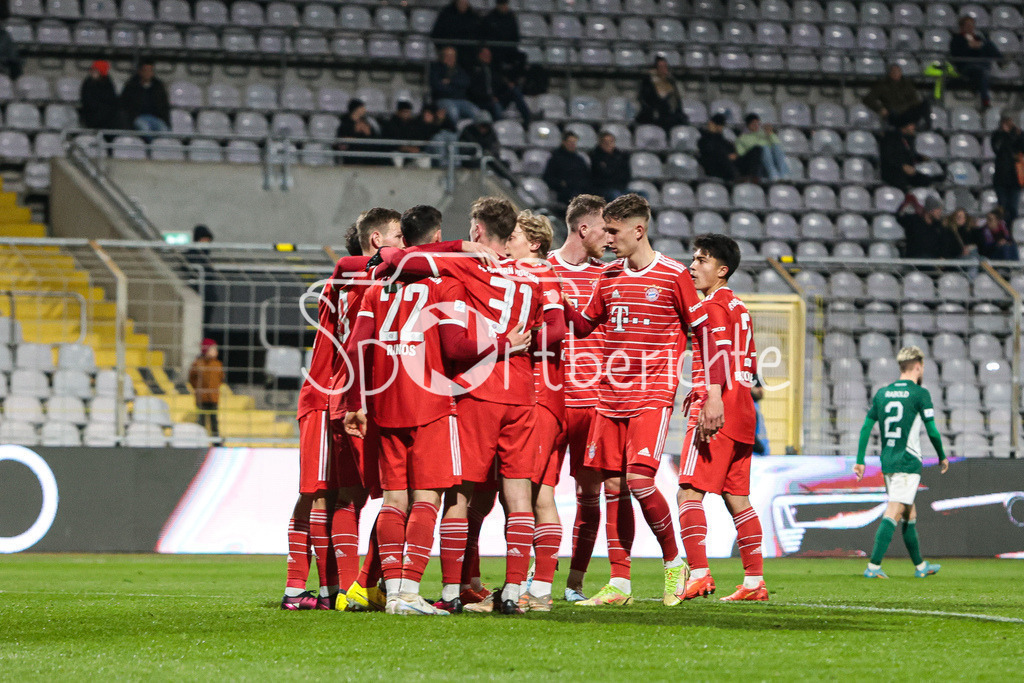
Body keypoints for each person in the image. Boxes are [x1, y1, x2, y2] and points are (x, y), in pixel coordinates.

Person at [374, 197, 545, 615]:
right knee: (519, 495)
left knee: (457, 494)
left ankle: (448, 590)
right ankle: (516, 590)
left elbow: (392, 258)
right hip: (523, 392)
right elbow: (554, 328)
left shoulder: (466, 267)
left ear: (478, 232)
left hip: (476, 389)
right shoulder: (537, 278)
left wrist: (457, 250)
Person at [561, 194, 728, 607]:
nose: (608, 239)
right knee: (613, 486)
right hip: (608, 396)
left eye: (614, 232)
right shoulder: (609, 275)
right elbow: (585, 326)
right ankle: (620, 583)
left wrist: (712, 393)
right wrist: (558, 301)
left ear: (639, 230)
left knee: (638, 481)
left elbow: (705, 335)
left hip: (651, 395)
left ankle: (674, 564)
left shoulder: (674, 276)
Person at [343, 205, 493, 616]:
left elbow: (356, 346)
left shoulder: (376, 288)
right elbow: (453, 346)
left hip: (385, 405)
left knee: (393, 502)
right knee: (426, 499)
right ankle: (409, 591)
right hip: (430, 402)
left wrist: (356, 402)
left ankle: (392, 593)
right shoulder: (442, 286)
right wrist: (501, 341)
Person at [676, 234, 767, 603]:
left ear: (722, 270)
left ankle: (698, 574)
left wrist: (710, 397)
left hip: (720, 407)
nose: (693, 266)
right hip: (745, 408)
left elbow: (718, 353)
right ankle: (754, 582)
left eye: (702, 260)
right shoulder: (739, 307)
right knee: (737, 497)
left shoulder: (712, 307)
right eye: (694, 259)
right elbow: (750, 363)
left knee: (687, 493)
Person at [503, 210, 566, 612]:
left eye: (515, 236)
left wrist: (523, 340)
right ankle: (535, 588)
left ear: (535, 242)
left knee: (529, 495)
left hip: (539, 394)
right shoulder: (518, 271)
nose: (508, 241)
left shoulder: (540, 274)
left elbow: (557, 330)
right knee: (539, 494)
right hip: (536, 395)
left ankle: (534, 589)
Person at [547, 194, 608, 602]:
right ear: (583, 228)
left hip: (592, 404)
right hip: (548, 402)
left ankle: (575, 582)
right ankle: (534, 577)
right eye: (605, 228)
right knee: (535, 495)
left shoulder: (609, 275)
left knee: (590, 496)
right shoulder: (541, 268)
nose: (610, 236)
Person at [855, 346, 949, 579]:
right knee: (895, 509)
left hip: (888, 460)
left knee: (909, 512)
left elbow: (867, 426)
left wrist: (860, 460)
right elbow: (933, 431)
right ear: (918, 365)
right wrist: (941, 455)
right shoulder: (920, 394)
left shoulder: (883, 393)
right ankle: (873, 567)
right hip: (907, 462)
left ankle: (920, 567)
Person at [468, 46, 531, 124]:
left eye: (489, 55)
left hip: (497, 98)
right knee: (495, 106)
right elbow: (473, 90)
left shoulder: (494, 70)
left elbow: (500, 84)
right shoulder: (474, 70)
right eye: (485, 55)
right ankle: (499, 127)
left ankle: (527, 118)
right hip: (483, 101)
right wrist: (489, 98)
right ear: (479, 55)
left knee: (514, 90)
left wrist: (508, 85)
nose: (488, 57)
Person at [950, 15, 1002, 109]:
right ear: (962, 27)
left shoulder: (978, 39)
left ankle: (1001, 61)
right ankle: (985, 100)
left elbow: (986, 52)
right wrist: (969, 47)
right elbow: (956, 54)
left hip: (981, 64)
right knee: (981, 72)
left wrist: (980, 46)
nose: (971, 28)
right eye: (968, 25)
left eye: (972, 25)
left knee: (988, 45)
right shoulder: (956, 39)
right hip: (966, 66)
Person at [862, 64, 932, 130]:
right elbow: (868, 99)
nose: (896, 74)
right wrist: (880, 109)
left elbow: (915, 99)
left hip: (908, 111)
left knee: (925, 103)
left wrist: (908, 106)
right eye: (894, 72)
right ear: (890, 73)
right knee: (894, 115)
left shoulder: (907, 84)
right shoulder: (882, 85)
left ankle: (926, 127)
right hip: (894, 114)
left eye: (898, 72)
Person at [698, 113, 760, 183]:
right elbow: (710, 150)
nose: (720, 128)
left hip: (730, 164)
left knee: (755, 149)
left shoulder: (722, 139)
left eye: (721, 125)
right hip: (716, 166)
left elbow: (731, 148)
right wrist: (727, 156)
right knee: (721, 156)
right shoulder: (704, 138)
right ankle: (736, 177)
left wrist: (735, 154)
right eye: (718, 125)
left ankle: (751, 176)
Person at [880, 122, 941, 192]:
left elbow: (909, 155)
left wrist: (921, 158)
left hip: (907, 171)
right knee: (901, 182)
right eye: (911, 125)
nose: (914, 127)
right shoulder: (890, 137)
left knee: (926, 179)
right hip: (893, 172)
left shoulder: (908, 139)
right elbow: (888, 157)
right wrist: (902, 166)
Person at [430, 46, 479, 123]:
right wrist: (457, 87)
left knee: (477, 113)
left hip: (462, 100)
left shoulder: (459, 70)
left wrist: (450, 81)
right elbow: (438, 87)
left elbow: (466, 83)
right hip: (444, 99)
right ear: (442, 57)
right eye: (448, 56)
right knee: (453, 112)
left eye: (453, 56)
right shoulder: (436, 69)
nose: (451, 58)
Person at [636, 55, 686, 131]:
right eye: (661, 67)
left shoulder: (671, 81)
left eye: (665, 66)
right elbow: (647, 101)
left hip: (671, 116)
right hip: (654, 115)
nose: (664, 69)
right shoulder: (648, 82)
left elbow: (677, 101)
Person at [990, 115, 1024, 225]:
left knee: (1013, 209)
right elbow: (997, 149)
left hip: (1016, 179)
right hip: (1001, 179)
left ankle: (1012, 232)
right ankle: (1002, 231)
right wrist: (1005, 134)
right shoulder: (997, 135)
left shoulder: (1019, 134)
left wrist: (1017, 135)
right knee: (1002, 209)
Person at [735, 113, 789, 182]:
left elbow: (777, 144)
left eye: (758, 123)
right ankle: (773, 174)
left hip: (772, 159)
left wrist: (770, 133)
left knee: (777, 148)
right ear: (748, 125)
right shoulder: (741, 138)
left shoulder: (764, 134)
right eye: (753, 124)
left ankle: (783, 175)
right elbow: (742, 154)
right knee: (764, 148)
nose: (756, 126)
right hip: (758, 164)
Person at [120, 60, 170, 133]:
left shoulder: (158, 87)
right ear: (140, 71)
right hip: (138, 117)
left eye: (150, 70)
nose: (148, 73)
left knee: (164, 130)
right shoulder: (131, 86)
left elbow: (164, 105)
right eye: (145, 70)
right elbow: (125, 105)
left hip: (155, 117)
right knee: (145, 129)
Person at [430, 0, 482, 71]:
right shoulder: (446, 14)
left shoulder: (473, 16)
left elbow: (479, 35)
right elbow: (436, 34)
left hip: (468, 56)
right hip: (450, 53)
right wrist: (444, 49)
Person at [543, 131, 590, 206]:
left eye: (574, 142)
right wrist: (561, 183)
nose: (572, 145)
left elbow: (586, 176)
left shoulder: (579, 160)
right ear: (564, 142)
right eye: (570, 142)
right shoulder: (555, 159)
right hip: (563, 191)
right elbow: (548, 177)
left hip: (579, 189)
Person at [188, 338, 223, 437]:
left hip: (213, 398)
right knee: (201, 421)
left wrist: (214, 389)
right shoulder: (198, 364)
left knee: (214, 421)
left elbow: (220, 379)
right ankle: (200, 440)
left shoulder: (217, 364)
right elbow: (192, 378)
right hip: (201, 398)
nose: (216, 351)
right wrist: (198, 389)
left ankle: (216, 442)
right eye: (213, 349)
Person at [335, 99, 385, 165]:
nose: (364, 110)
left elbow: (374, 138)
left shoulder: (367, 122)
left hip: (367, 157)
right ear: (356, 109)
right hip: (351, 157)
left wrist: (368, 133)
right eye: (362, 107)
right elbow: (342, 139)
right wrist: (355, 134)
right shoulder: (345, 123)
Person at [481, 0, 524, 76]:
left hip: (509, 50)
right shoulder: (489, 18)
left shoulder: (511, 18)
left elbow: (516, 37)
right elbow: (484, 36)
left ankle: (515, 82)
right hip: (495, 51)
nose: (503, 6)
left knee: (522, 57)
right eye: (501, 4)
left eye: (504, 4)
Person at [382, 100, 427, 168]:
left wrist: (416, 148)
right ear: (398, 112)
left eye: (408, 112)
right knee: (397, 157)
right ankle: (398, 177)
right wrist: (404, 148)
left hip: (411, 152)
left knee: (425, 158)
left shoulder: (414, 124)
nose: (407, 114)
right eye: (404, 112)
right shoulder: (391, 124)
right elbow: (391, 143)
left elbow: (420, 139)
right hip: (397, 151)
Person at [589, 132, 631, 201]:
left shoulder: (620, 156)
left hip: (621, 187)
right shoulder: (595, 156)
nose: (608, 144)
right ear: (600, 143)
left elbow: (626, 174)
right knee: (615, 195)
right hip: (603, 190)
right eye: (605, 142)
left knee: (641, 194)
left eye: (611, 142)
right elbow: (602, 175)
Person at [79, 60, 120, 130]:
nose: (93, 72)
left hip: (107, 116)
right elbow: (87, 101)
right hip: (91, 115)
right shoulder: (88, 83)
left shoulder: (108, 84)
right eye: (93, 70)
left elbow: (111, 100)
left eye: (96, 70)